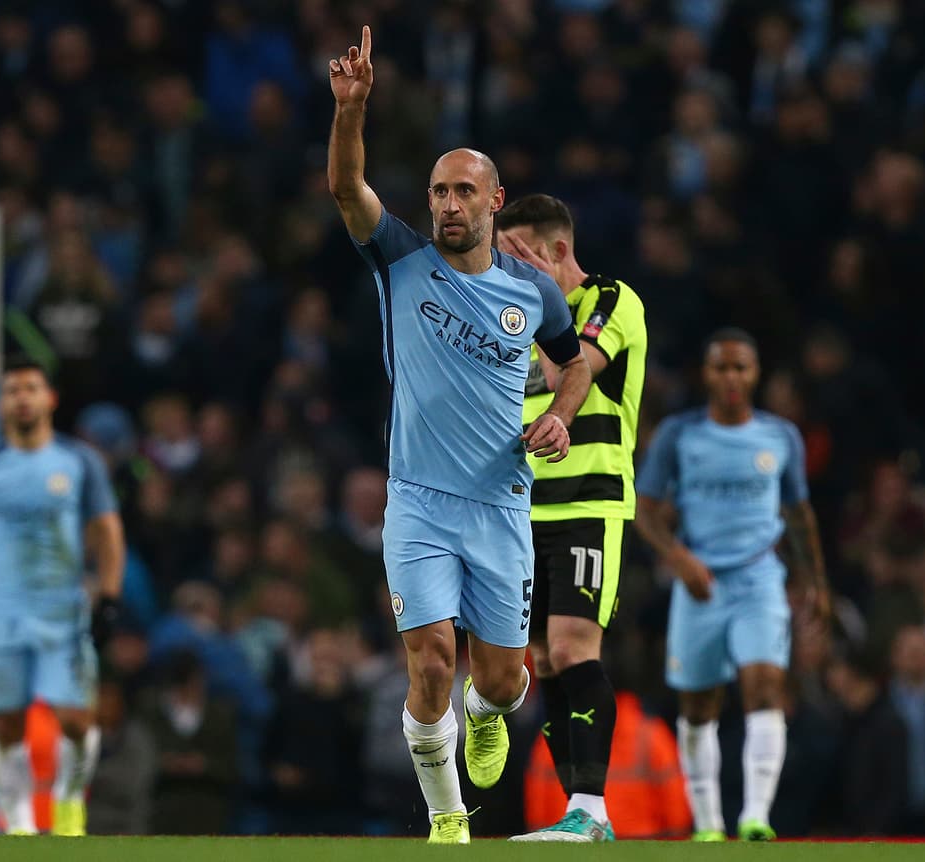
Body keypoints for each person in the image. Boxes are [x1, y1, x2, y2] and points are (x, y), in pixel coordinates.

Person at [328, 26, 592, 845]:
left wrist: (559, 414)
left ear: (493, 201)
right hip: (417, 501)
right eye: (439, 190)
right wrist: (352, 111)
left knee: (506, 682)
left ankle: (488, 712)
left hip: (501, 505)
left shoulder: (533, 294)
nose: (446, 203)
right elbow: (346, 189)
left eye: (462, 193)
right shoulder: (400, 258)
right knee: (429, 659)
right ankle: (448, 820)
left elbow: (575, 363)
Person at [634, 329, 829, 841]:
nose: (732, 378)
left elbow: (799, 513)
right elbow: (644, 509)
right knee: (700, 705)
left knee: (765, 688)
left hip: (760, 577)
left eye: (741, 368)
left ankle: (756, 817)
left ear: (755, 373)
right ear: (707, 374)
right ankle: (710, 825)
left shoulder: (780, 436)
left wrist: (816, 583)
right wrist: (679, 558)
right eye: (722, 368)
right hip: (700, 581)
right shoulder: (679, 435)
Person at [494, 193, 648, 842]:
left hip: (589, 501)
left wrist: (539, 302)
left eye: (521, 260)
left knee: (570, 647)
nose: (510, 275)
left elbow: (572, 370)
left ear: (558, 252)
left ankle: (592, 809)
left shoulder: (613, 300)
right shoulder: (509, 316)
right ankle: (577, 819)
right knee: (542, 665)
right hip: (520, 509)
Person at [0, 357, 125, 836]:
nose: (21, 397)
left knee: (78, 720)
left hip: (61, 608)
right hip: (2, 611)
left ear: (50, 399)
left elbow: (107, 531)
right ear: (1, 404)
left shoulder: (78, 461)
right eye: (12, 390)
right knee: (4, 724)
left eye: (30, 388)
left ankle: (68, 802)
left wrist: (109, 596)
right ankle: (19, 828)